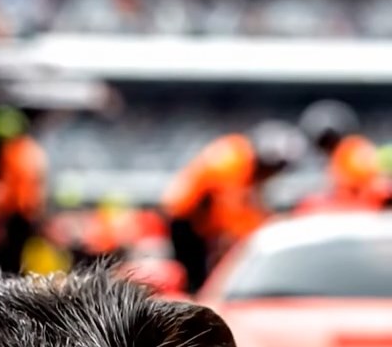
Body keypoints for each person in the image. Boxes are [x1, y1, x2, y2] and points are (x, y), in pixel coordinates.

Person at [161, 121, 304, 292]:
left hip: (199, 220)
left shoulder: (242, 159)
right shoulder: (234, 163)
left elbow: (249, 208)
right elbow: (232, 214)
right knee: (196, 277)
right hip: (186, 220)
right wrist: (263, 230)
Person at [0, 106, 48, 274]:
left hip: (16, 214)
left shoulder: (12, 152)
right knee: (20, 260)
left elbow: (9, 189)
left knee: (8, 261)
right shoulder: (32, 149)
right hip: (28, 213)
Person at [298, 100, 388, 210]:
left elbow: (369, 184)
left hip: (365, 208)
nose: (328, 146)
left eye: (328, 140)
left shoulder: (352, 149)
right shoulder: (342, 156)